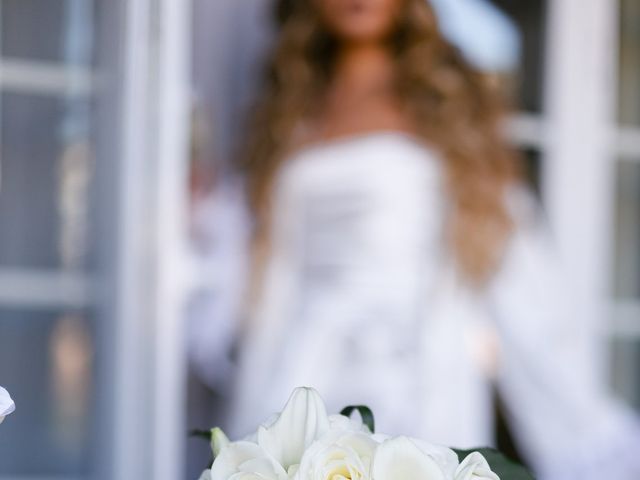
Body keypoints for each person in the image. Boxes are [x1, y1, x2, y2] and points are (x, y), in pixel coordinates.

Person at [229, 0, 640, 478]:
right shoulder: (288, 110)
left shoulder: (443, 105)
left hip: (415, 374)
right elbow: (269, 268)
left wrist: (583, 423)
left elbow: (514, 262)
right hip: (300, 369)